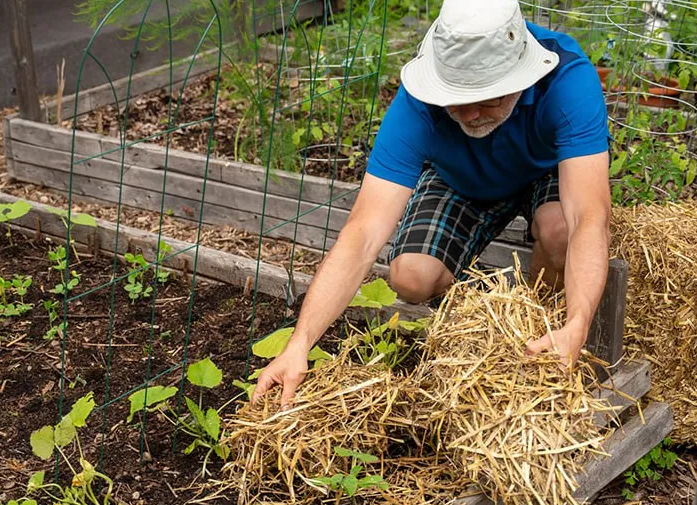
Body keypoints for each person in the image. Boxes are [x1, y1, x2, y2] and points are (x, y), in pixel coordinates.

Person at [252, 0, 612, 408]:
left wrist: (579, 322)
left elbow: (589, 215)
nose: (473, 115)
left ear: (520, 76)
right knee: (411, 277)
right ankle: (479, 324)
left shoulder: (566, 78)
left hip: (547, 168)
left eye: (490, 98)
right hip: (463, 177)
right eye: (457, 100)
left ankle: (542, 329)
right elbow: (364, 232)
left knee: (560, 230)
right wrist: (300, 343)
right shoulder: (417, 104)